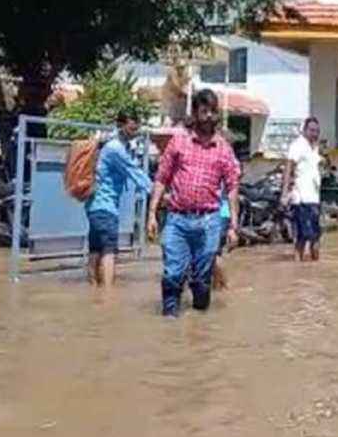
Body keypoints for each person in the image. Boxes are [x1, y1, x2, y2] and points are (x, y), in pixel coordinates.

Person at [147, 89, 239, 317]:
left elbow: (232, 188)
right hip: (177, 218)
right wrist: (151, 214)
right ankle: (169, 320)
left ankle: (200, 324)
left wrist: (234, 226)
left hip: (208, 221)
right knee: (172, 274)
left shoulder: (223, 149)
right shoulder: (178, 142)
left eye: (212, 112)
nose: (208, 116)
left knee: (201, 277)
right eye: (203, 111)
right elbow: (161, 179)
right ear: (195, 113)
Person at [84, 111, 152, 287]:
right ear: (121, 126)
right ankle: (107, 295)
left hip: (93, 206)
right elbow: (133, 171)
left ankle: (93, 289)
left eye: (136, 128)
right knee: (109, 252)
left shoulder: (110, 145)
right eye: (131, 128)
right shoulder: (115, 148)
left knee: (95, 249)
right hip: (106, 207)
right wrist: (156, 192)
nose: (134, 132)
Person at [280, 117, 323, 262]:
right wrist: (285, 193)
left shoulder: (315, 148)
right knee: (302, 238)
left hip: (315, 199)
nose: (314, 134)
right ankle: (297, 267)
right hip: (301, 198)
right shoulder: (297, 145)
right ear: (304, 130)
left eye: (317, 131)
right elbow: (288, 168)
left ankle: (313, 270)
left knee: (316, 237)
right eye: (311, 130)